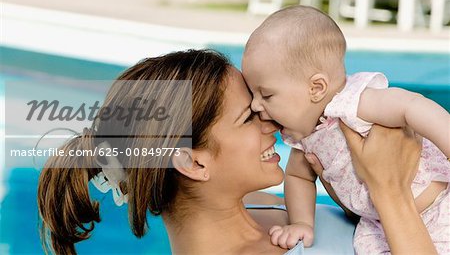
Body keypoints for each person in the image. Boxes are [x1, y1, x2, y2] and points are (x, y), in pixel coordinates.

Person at [37, 49, 438, 255]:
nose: (273, 124)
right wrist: (390, 192)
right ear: (194, 161)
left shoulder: (261, 208)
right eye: (249, 117)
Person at [242, 5, 450, 254]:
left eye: (266, 94)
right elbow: (298, 178)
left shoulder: (355, 103)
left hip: (440, 202)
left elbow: (411, 106)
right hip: (381, 227)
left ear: (316, 88)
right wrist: (302, 223)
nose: (255, 105)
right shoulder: (303, 138)